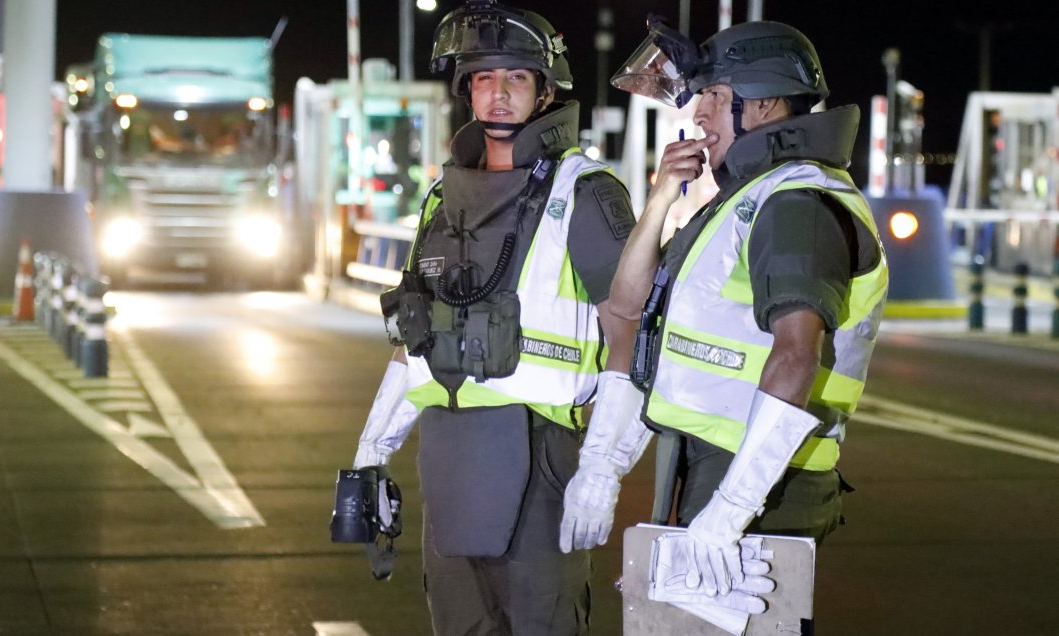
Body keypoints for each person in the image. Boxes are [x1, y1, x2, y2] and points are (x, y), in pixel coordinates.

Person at [559, 17, 889, 607]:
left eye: (713, 95)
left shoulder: (797, 202)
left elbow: (796, 355)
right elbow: (628, 308)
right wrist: (661, 196)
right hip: (710, 466)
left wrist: (730, 511)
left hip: (760, 483)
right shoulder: (742, 200)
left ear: (761, 105)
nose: (699, 114)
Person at [349, 1, 639, 633]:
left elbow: (631, 335)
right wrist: (372, 453)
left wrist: (602, 468)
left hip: (542, 457)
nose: (498, 93)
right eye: (483, 78)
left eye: (515, 77)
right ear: (467, 91)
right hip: (448, 457)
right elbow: (412, 340)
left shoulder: (585, 193)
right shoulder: (441, 197)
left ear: (545, 91)